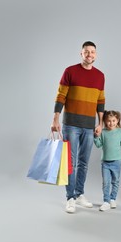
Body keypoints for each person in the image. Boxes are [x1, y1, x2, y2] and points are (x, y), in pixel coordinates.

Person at [51, 41, 105, 214]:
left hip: (89, 126)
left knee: (84, 163)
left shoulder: (100, 76)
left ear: (95, 55)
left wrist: (101, 123)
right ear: (81, 54)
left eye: (92, 52)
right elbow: (61, 96)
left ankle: (80, 193)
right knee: (70, 163)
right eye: (86, 52)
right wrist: (56, 119)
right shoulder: (70, 71)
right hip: (71, 125)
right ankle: (70, 198)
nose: (89, 54)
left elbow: (100, 101)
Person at [94, 110, 121, 211]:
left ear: (117, 120)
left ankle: (113, 198)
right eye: (109, 121)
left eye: (113, 120)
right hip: (105, 162)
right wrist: (96, 136)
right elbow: (98, 144)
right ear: (104, 121)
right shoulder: (103, 132)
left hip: (117, 161)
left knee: (115, 181)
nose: (111, 123)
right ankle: (106, 201)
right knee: (106, 182)